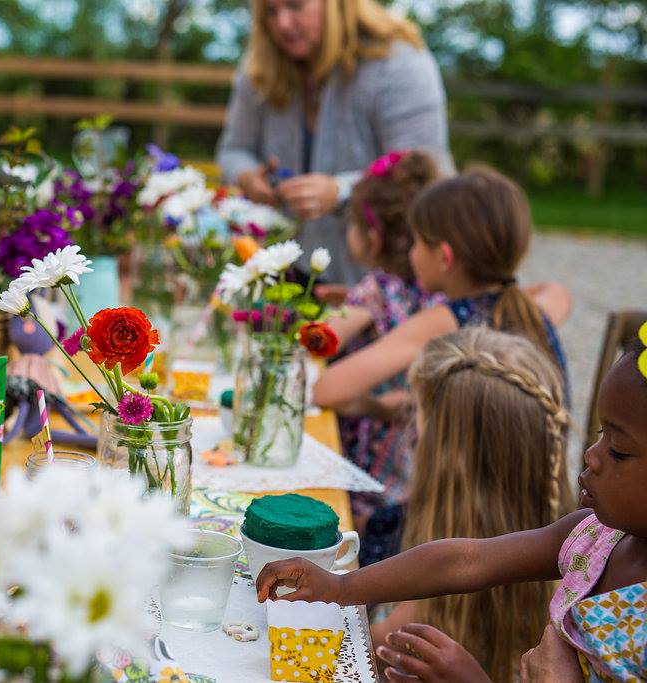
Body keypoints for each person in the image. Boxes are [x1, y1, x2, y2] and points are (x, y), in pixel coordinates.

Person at [256, 329, 647, 683]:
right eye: (600, 434)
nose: (592, 457)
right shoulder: (593, 538)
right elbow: (465, 561)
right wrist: (340, 587)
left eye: (619, 450)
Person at [368, 328, 572, 680]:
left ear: (447, 459)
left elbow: (339, 653)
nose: (412, 432)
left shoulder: (421, 609)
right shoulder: (580, 557)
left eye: (418, 415)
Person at [216, 0, 454, 286]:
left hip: (383, 279)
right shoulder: (260, 66)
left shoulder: (398, 62)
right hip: (282, 272)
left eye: (295, 6)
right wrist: (247, 177)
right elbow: (232, 150)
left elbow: (425, 171)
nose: (282, 23)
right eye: (270, 11)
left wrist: (340, 191)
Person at [313, 166, 571, 418]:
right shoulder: (530, 308)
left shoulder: (445, 319)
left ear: (444, 257)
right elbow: (558, 292)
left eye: (417, 242)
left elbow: (326, 390)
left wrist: (378, 407)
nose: (411, 252)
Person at [325, 149, 443, 538]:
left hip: (370, 465)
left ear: (372, 237)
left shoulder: (377, 288)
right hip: (420, 469)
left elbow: (320, 340)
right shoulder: (441, 295)